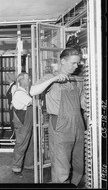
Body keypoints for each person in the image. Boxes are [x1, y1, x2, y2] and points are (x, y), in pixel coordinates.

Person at [30, 48, 86, 186]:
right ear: (62, 61)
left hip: (78, 124)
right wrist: (54, 79)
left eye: (78, 63)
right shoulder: (50, 77)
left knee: (79, 166)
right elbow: (33, 91)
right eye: (73, 63)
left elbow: (84, 104)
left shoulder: (77, 80)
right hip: (60, 126)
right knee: (62, 169)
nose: (76, 66)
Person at [11, 72, 34, 173]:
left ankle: (28, 164)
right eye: (28, 79)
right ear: (21, 81)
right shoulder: (20, 93)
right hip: (22, 123)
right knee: (21, 145)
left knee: (28, 143)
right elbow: (33, 102)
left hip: (26, 123)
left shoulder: (24, 92)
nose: (29, 80)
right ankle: (16, 167)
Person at [5, 73, 17, 139]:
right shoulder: (11, 86)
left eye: (6, 77)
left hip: (12, 106)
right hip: (11, 106)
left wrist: (12, 104)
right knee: (11, 120)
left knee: (13, 120)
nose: (5, 79)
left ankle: (15, 136)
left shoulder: (14, 86)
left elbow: (14, 97)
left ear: (10, 78)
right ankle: (14, 135)